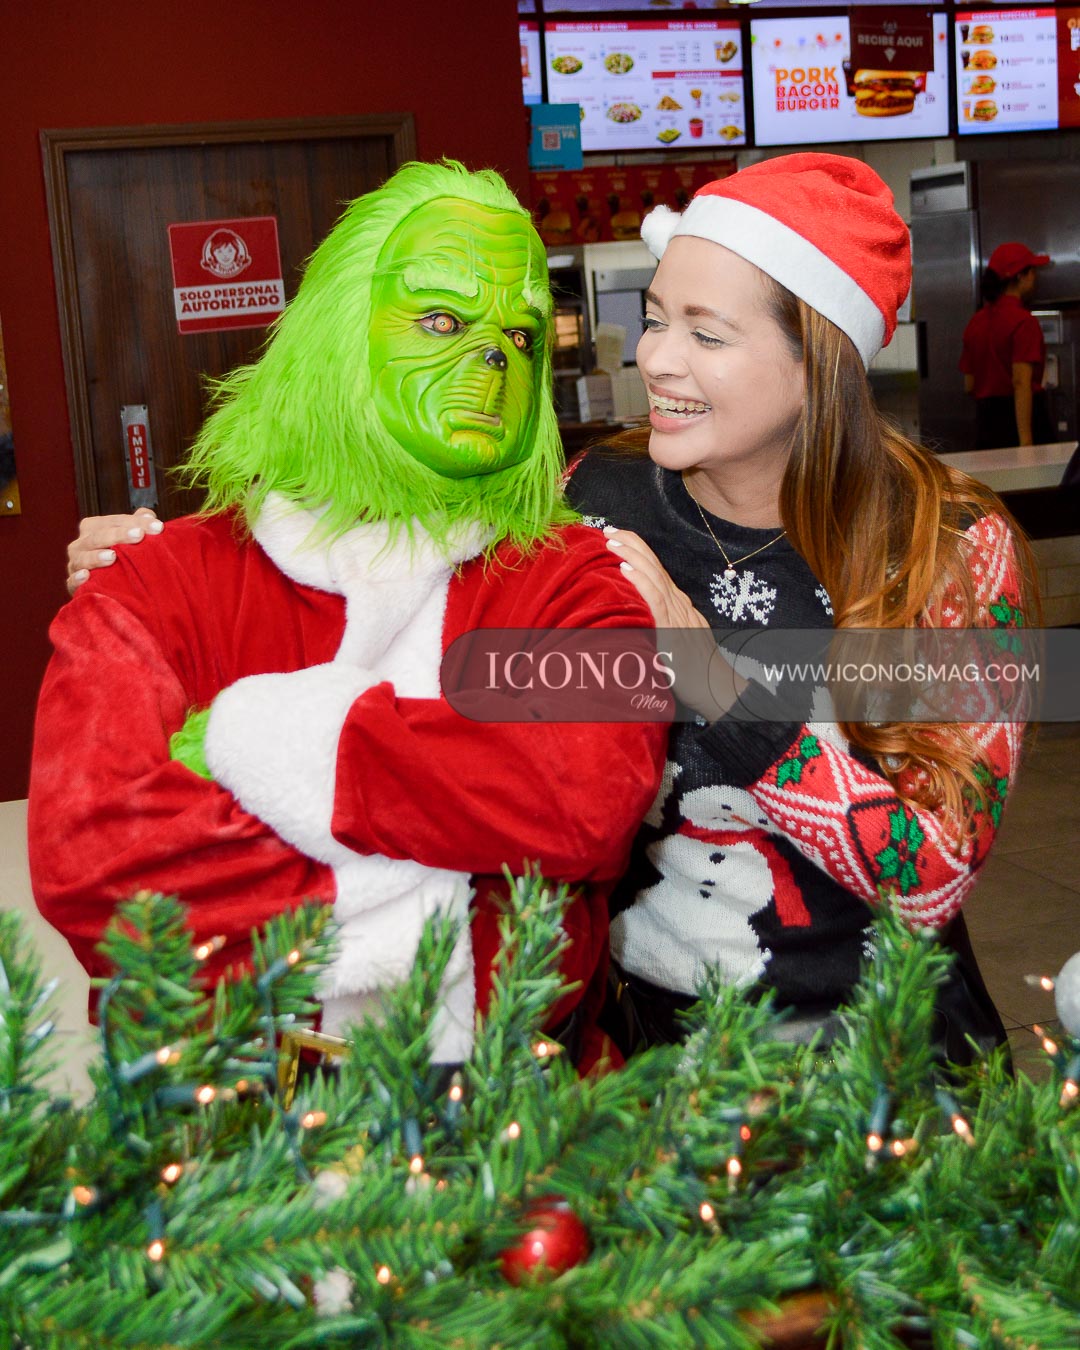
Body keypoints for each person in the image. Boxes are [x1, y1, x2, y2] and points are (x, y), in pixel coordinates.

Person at [66, 154, 1035, 1067]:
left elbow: (933, 877)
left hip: (885, 1064)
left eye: (706, 334)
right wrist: (164, 568)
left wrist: (716, 684)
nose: (656, 359)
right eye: (655, 318)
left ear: (818, 362)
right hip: (642, 1059)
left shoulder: (946, 546)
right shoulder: (594, 496)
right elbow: (388, 567)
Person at [31, 160, 668, 1073]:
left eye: (521, 335)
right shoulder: (155, 581)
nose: (496, 358)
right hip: (230, 1115)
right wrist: (454, 860)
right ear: (338, 333)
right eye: (442, 320)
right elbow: (98, 862)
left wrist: (292, 742)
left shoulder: (573, 580)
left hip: (523, 1109)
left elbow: (582, 800)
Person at [960, 241, 1053, 449]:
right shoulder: (1023, 321)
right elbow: (1021, 382)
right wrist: (1026, 442)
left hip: (987, 425)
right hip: (1020, 422)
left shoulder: (976, 322)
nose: (1035, 277)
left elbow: (969, 384)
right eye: (1032, 271)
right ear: (1020, 276)